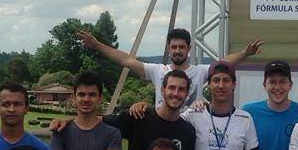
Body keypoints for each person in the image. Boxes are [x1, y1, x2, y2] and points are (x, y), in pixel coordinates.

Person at [76, 26, 263, 108]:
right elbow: (126, 60)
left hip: (190, 131)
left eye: (182, 47)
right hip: (162, 130)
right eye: (174, 47)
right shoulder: (158, 71)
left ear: (189, 49)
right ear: (168, 48)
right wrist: (97, 45)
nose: (177, 51)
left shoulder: (199, 72)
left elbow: (224, 63)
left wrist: (245, 54)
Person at [76, 69, 196, 150]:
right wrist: (67, 122)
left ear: (187, 94)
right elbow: (97, 121)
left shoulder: (188, 131)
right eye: (172, 88)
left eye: (181, 89)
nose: (176, 93)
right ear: (162, 90)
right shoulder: (138, 116)